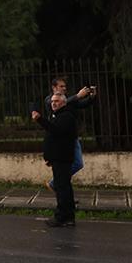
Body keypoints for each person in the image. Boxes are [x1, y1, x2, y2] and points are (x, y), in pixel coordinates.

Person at [32, 92, 79, 227]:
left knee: (62, 188)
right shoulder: (57, 116)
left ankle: (62, 217)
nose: (53, 103)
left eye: (57, 101)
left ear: (63, 103)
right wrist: (49, 156)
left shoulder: (66, 116)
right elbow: (52, 137)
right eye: (52, 101)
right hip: (58, 158)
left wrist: (40, 119)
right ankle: (68, 217)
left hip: (63, 158)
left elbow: (55, 130)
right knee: (63, 187)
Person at [41, 75, 97, 188]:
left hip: (71, 137)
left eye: (65, 86)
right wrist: (77, 96)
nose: (64, 88)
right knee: (73, 164)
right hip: (60, 140)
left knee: (74, 165)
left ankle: (60, 185)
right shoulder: (50, 100)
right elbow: (62, 103)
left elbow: (82, 104)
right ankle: (57, 183)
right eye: (61, 86)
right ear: (54, 87)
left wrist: (92, 97)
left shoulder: (66, 100)